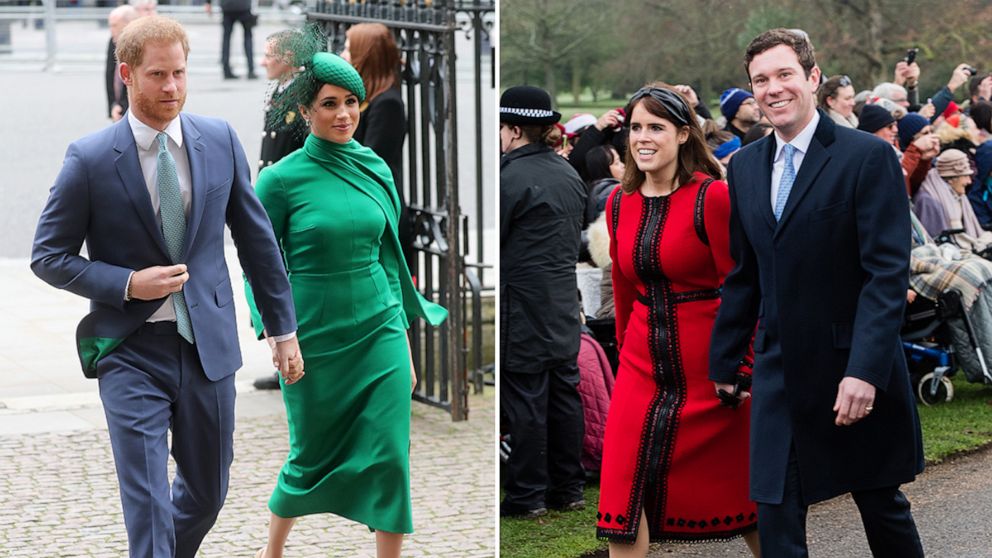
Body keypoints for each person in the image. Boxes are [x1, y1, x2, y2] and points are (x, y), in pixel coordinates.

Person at [31, 16, 302, 558]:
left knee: (207, 493)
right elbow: (48, 256)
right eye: (157, 74)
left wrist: (283, 331)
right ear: (127, 74)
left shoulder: (220, 140)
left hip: (208, 348)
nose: (172, 87)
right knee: (149, 501)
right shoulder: (88, 159)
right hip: (130, 352)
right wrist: (129, 283)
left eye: (179, 73)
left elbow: (257, 242)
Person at [709, 28, 924, 557]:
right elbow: (746, 273)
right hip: (780, 372)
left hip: (852, 366)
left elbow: (886, 273)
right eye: (761, 80)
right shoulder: (746, 167)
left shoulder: (866, 157)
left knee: (880, 505)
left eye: (785, 75)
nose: (773, 89)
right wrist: (725, 360)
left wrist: (865, 369)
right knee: (775, 512)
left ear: (813, 77)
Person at [245, 51, 446, 558]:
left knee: (390, 454)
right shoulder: (281, 180)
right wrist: (276, 333)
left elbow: (389, 256)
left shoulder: (374, 166)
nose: (343, 114)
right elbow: (258, 264)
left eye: (351, 102)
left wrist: (403, 339)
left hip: (379, 328)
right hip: (313, 334)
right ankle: (271, 553)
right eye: (329, 103)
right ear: (306, 111)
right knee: (309, 454)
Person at [595, 85, 758, 557]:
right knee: (621, 495)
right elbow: (624, 291)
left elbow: (743, 288)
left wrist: (741, 366)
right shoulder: (617, 204)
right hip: (641, 367)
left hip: (713, 368)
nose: (642, 138)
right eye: (635, 128)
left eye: (656, 128)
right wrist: (626, 354)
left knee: (748, 496)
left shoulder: (714, 198)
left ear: (684, 134)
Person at [500, 85, 587, 518]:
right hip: (561, 299)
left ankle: (527, 495)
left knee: (528, 399)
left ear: (514, 129)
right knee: (564, 395)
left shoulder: (509, 176)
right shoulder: (567, 172)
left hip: (524, 302)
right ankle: (567, 488)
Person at [251, 28, 314, 392]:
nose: (263, 62)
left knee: (281, 276)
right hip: (271, 190)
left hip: (288, 195)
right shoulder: (280, 91)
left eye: (270, 56)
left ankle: (290, 357)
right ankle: (281, 357)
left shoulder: (299, 94)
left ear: (288, 58)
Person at [340, 23, 415, 267]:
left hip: (379, 208)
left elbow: (371, 160)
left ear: (366, 55)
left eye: (349, 49)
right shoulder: (364, 98)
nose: (343, 55)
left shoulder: (387, 103)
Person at [912, 148, 992, 254]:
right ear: (951, 179)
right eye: (965, 176)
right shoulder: (928, 202)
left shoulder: (957, 195)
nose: (969, 181)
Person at [204, 0, 256, 80]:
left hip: (227, 6)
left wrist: (208, 3)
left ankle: (226, 70)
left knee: (226, 39)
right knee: (247, 37)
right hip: (243, 6)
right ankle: (251, 70)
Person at [105, 4, 138, 121]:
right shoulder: (113, 41)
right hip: (118, 111)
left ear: (128, 25)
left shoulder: (140, 46)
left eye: (114, 25)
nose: (111, 30)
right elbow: (109, 75)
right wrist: (113, 105)